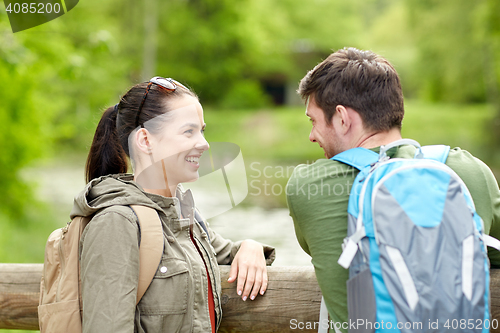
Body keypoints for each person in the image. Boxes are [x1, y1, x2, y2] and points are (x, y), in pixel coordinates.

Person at [286, 47, 500, 331]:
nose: (312, 136)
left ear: (341, 117)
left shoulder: (308, 186)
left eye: (313, 121)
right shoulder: (470, 172)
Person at [72, 76, 275, 333]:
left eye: (202, 130)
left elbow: (224, 253)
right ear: (145, 141)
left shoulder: (182, 213)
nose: (204, 143)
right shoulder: (117, 223)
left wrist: (251, 247)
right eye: (188, 131)